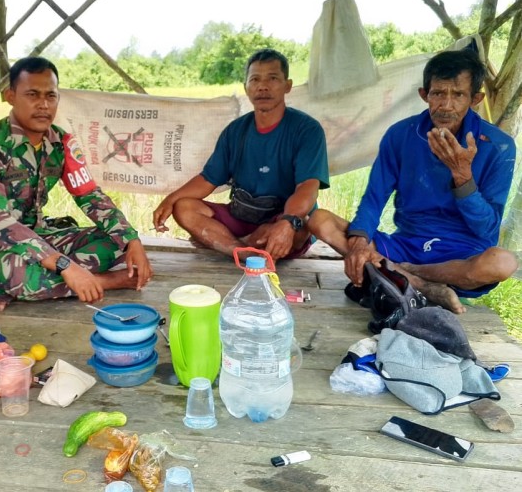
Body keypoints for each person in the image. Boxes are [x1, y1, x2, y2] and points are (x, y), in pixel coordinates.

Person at [308, 49, 518, 313]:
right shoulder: (400, 135)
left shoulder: (499, 147)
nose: (446, 105)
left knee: (503, 262)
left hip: (461, 258)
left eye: (458, 95)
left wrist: (462, 176)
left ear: (475, 99)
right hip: (407, 245)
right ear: (424, 95)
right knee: (320, 220)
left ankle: (405, 275)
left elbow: (486, 230)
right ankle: (421, 284)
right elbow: (374, 198)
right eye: (438, 93)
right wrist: (359, 246)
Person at [0, 56, 152, 312]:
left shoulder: (61, 141)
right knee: (14, 273)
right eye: (32, 95)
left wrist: (131, 240)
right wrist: (66, 266)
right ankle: (103, 281)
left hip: (39, 238)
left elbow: (89, 195)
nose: (43, 105)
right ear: (10, 96)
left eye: (51, 96)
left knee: (115, 241)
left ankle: (42, 286)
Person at [152, 48, 330, 260]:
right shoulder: (235, 131)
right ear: (246, 87)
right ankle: (241, 250)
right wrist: (170, 200)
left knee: (302, 225)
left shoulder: (306, 129)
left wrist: (286, 222)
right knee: (184, 207)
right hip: (242, 216)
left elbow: (307, 189)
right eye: (255, 79)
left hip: (282, 219)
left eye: (272, 78)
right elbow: (208, 180)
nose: (262, 86)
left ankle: (242, 243)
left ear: (287, 86)